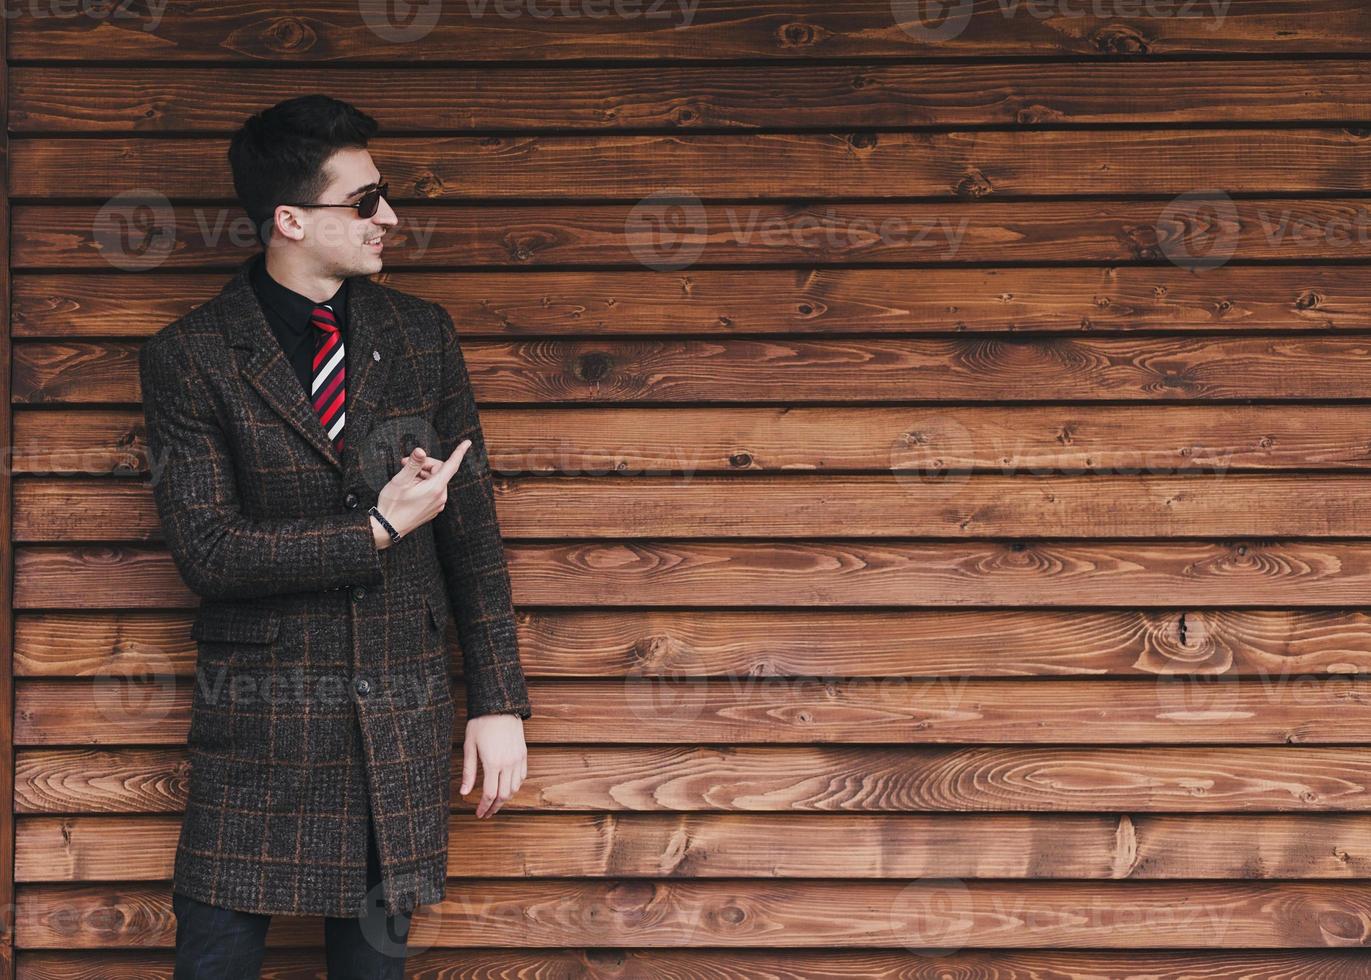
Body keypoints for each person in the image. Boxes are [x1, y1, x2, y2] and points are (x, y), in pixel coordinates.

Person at [137, 94, 532, 979]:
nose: (388, 217)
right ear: (288, 219)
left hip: (397, 714)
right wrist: (379, 527)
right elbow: (208, 550)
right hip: (259, 728)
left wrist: (496, 701)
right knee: (214, 964)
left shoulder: (420, 335)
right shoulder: (190, 355)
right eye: (364, 202)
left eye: (382, 196)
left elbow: (471, 530)